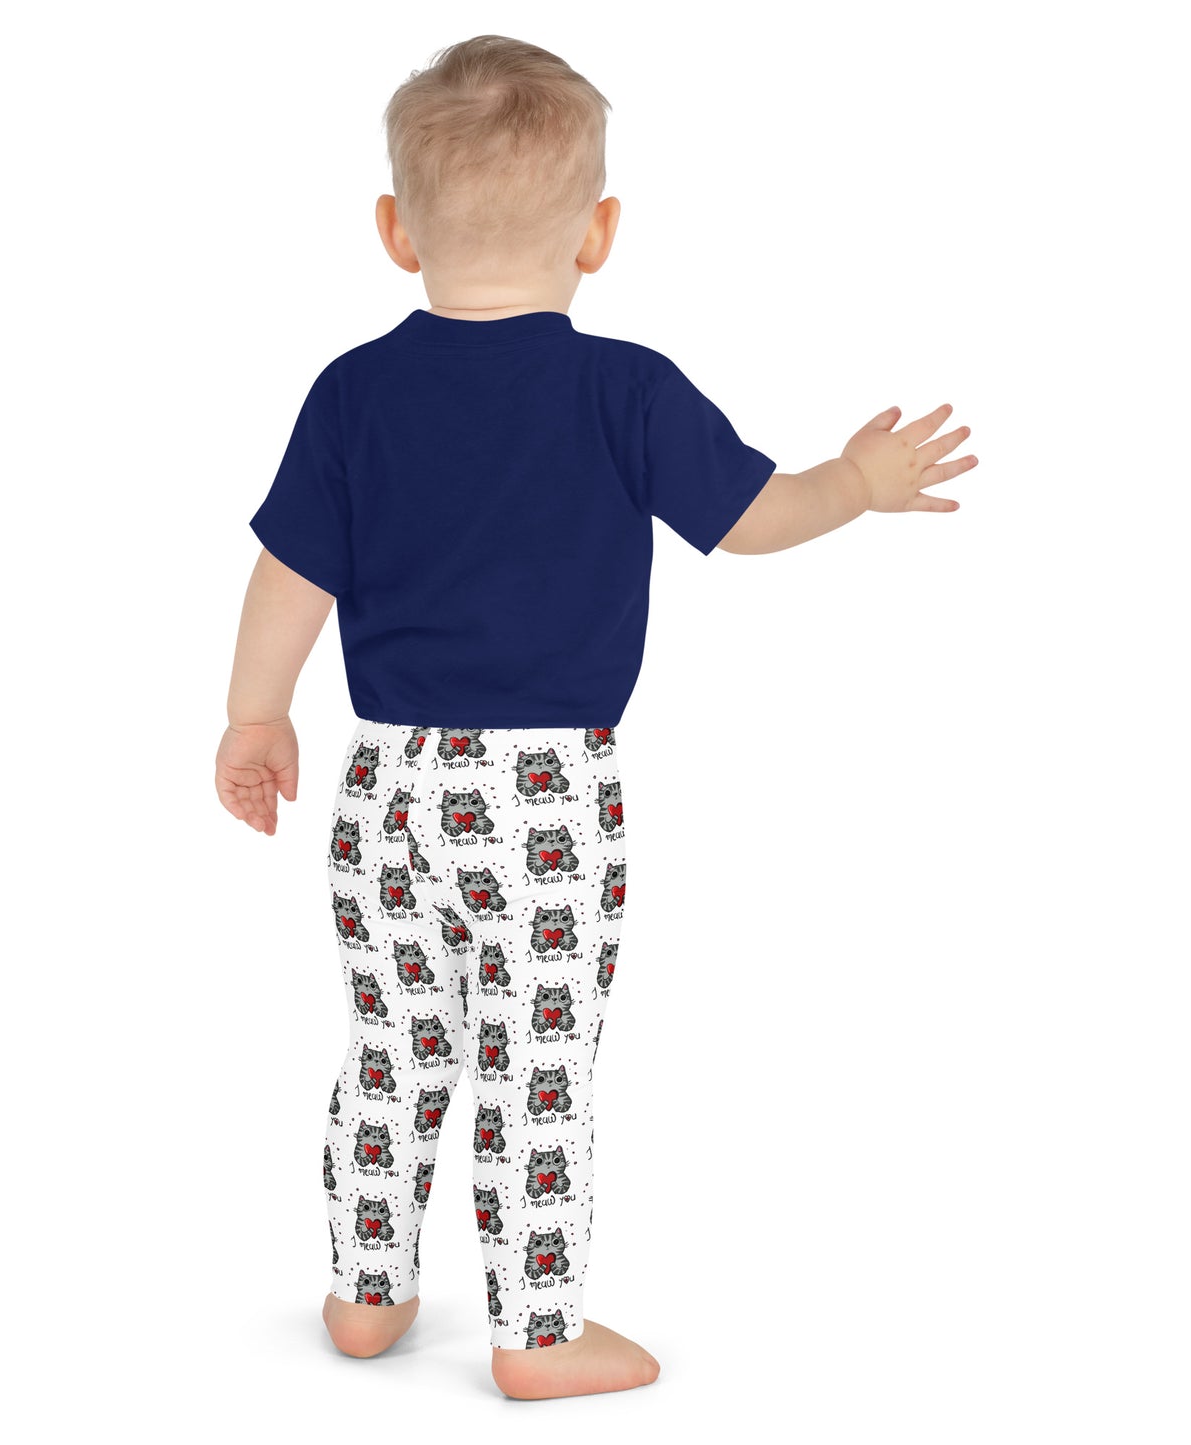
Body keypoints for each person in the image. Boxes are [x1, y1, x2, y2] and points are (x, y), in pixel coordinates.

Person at [215, 34, 977, 1401]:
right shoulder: (624, 390)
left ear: (397, 231)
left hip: (385, 788)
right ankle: (537, 1327)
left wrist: (253, 718)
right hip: (545, 804)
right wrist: (854, 483)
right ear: (597, 233)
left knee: (393, 1042)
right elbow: (753, 520)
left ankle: (366, 1291)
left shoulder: (351, 392)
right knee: (537, 1060)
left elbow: (289, 576)